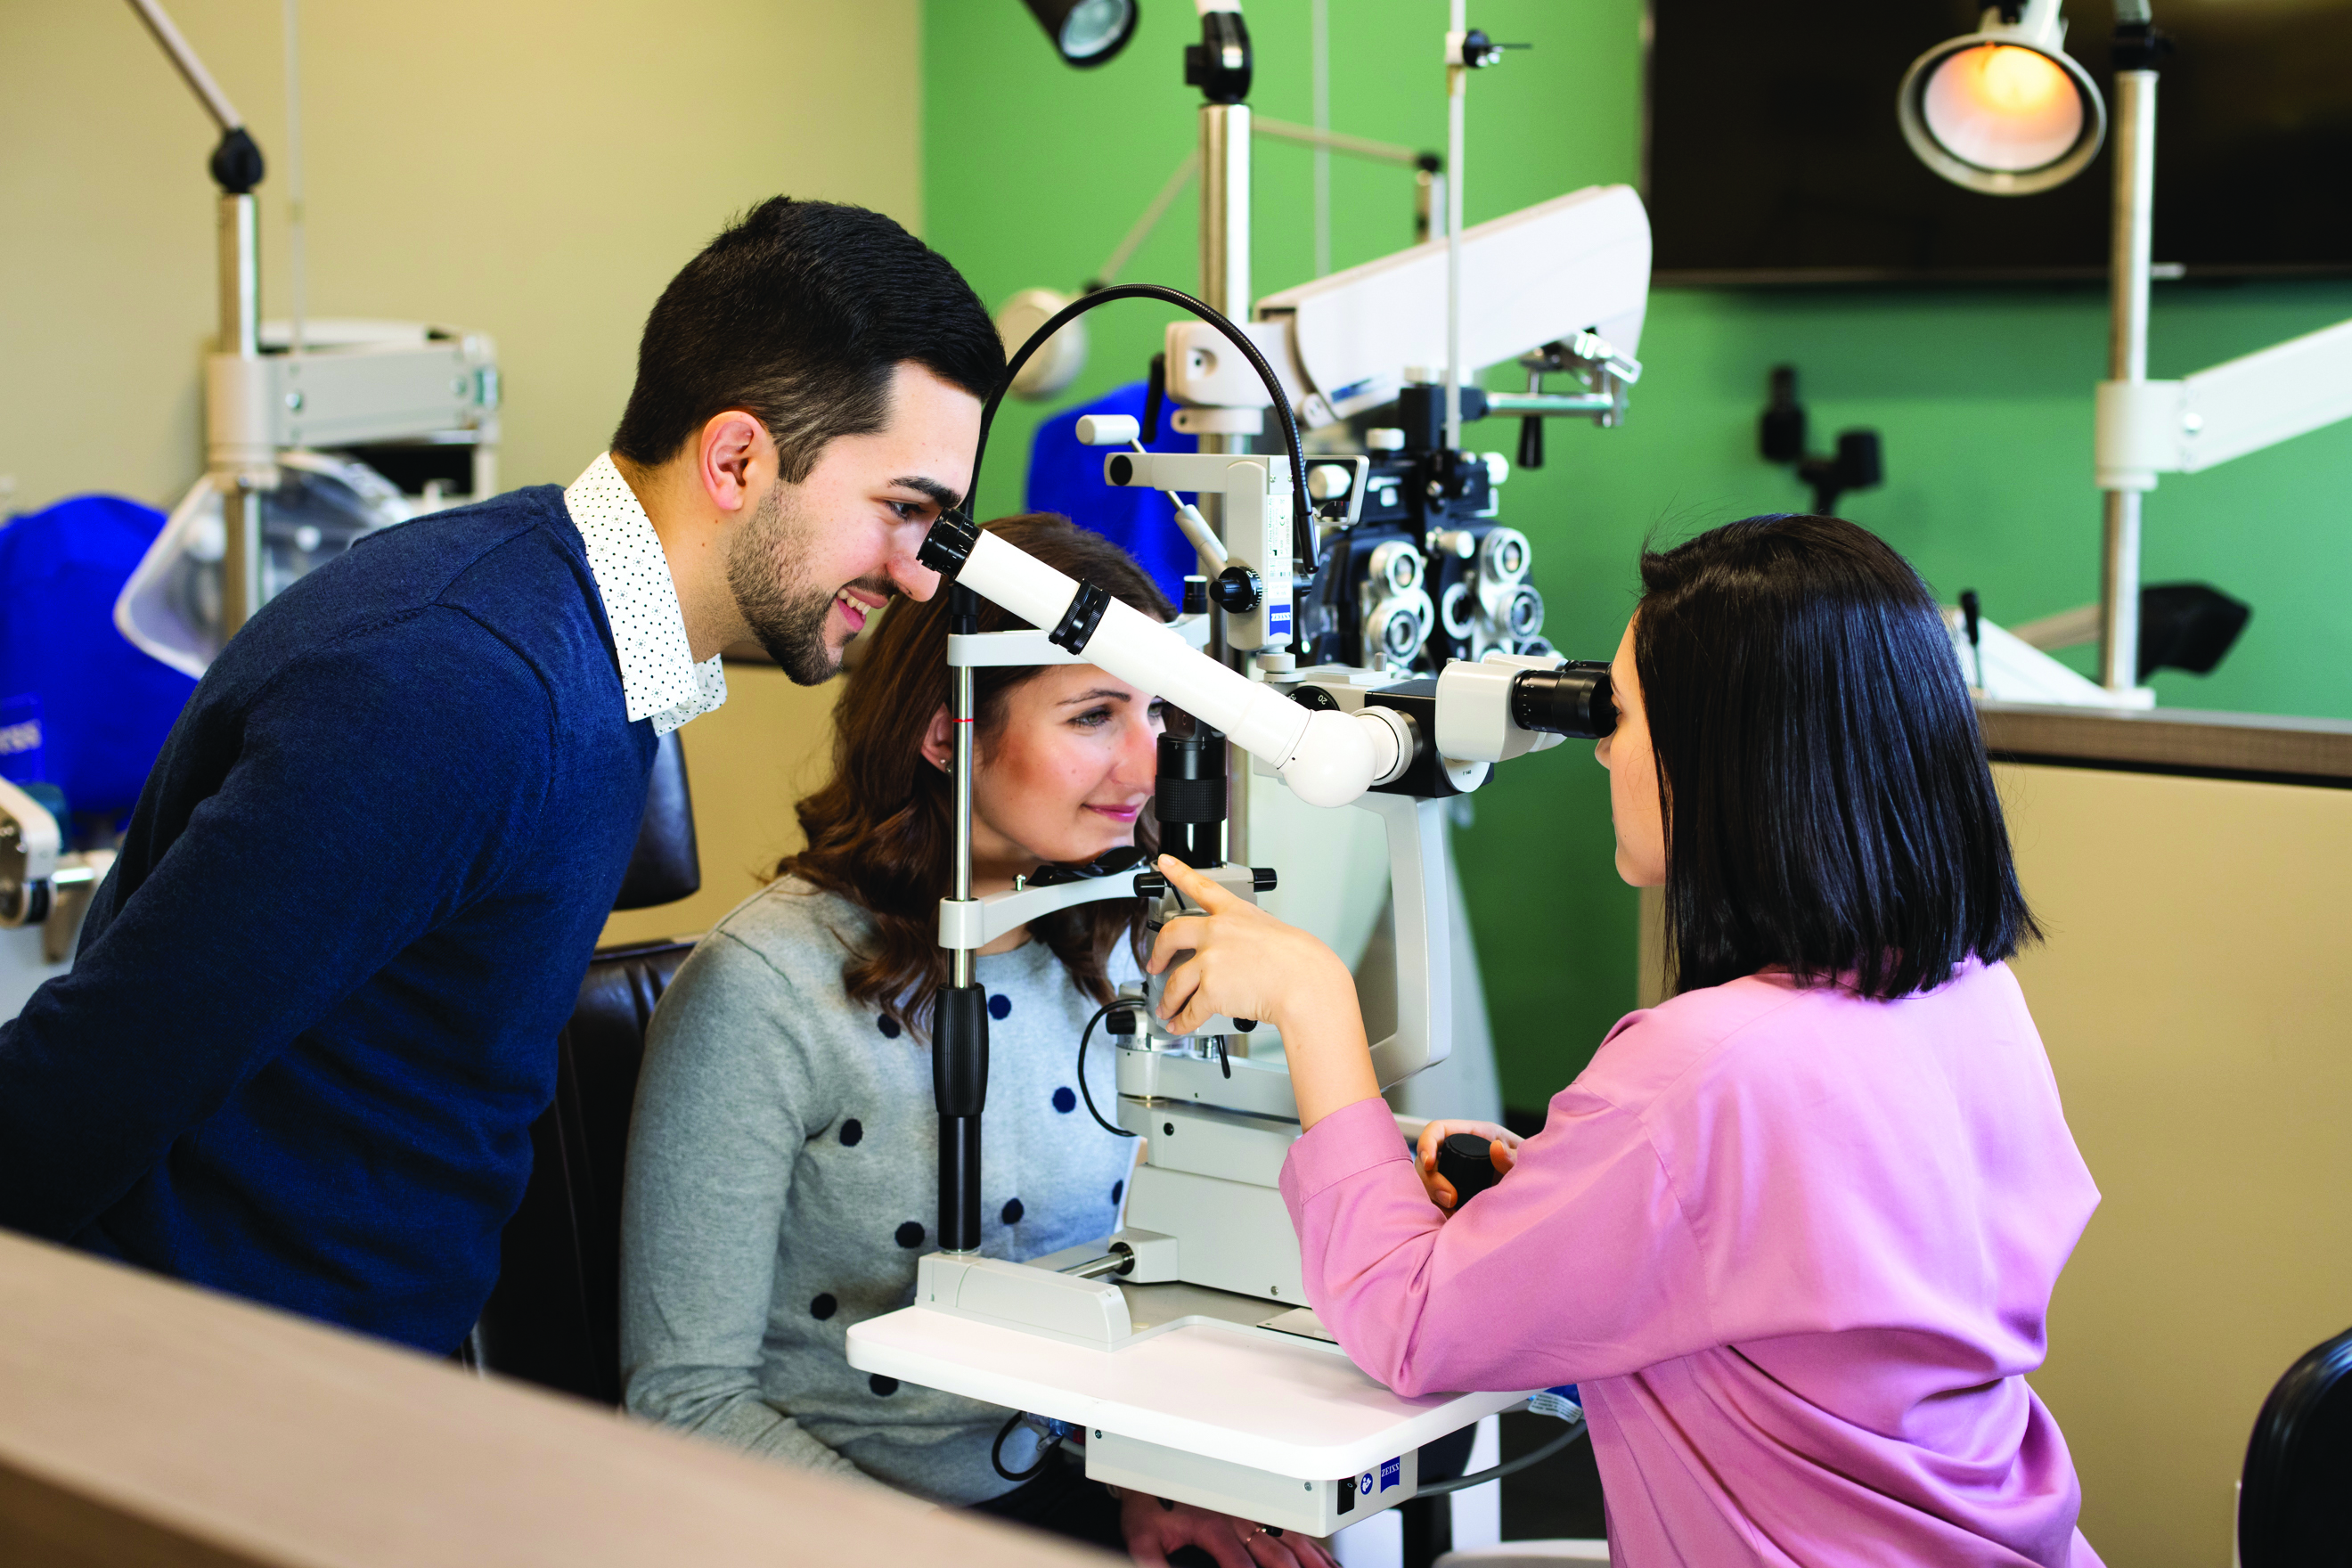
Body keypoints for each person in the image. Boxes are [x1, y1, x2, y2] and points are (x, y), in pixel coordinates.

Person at [0, 198, 1001, 1356]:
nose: (921, 578)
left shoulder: (585, 653)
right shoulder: (456, 687)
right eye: (904, 512)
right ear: (736, 458)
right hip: (205, 1394)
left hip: (357, 1383)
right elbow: (91, 1084)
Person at [1143, 515, 2103, 1567]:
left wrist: (1313, 995)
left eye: (1626, 714)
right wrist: (1577, 1195)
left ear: (1723, 759)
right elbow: (1792, 1267)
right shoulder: (1971, 991)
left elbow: (1409, 1325)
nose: (1601, 746)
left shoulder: (1705, 1069)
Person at [621, 516, 1335, 1568]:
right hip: (829, 1522)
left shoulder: (1116, 943)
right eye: (1094, 715)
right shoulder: (764, 989)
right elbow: (683, 1401)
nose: (1145, 763)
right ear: (946, 731)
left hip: (1061, 1478)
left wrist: (1150, 1475)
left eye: (1155, 711)